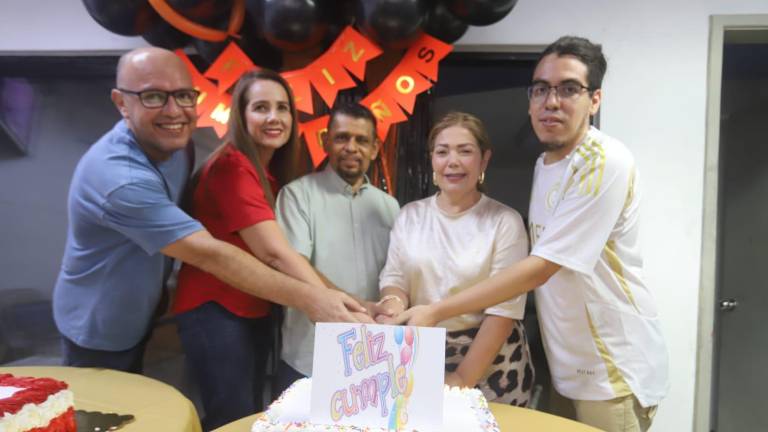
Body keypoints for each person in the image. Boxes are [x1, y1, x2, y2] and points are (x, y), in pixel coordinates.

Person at [395, 36, 669, 432]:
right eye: (541, 89)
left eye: (569, 89)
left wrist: (437, 310)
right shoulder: (546, 164)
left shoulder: (603, 161)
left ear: (595, 100)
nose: (551, 101)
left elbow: (540, 269)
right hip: (565, 363)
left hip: (612, 369)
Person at [53, 47, 366, 376]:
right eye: (154, 96)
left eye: (185, 96)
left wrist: (341, 298)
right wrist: (317, 300)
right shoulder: (121, 178)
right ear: (121, 103)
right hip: (98, 326)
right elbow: (222, 253)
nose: (174, 112)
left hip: (150, 311)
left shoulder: (178, 145)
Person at [171, 69, 348, 430]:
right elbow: (273, 254)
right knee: (232, 418)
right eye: (261, 107)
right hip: (216, 309)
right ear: (241, 114)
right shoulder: (232, 167)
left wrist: (348, 299)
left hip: (249, 308)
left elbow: (287, 253)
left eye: (282, 108)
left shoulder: (264, 173)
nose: (274, 117)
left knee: (252, 414)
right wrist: (330, 304)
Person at [376, 112, 534, 406]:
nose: (453, 161)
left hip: (491, 362)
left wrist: (463, 378)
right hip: (421, 352)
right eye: (442, 151)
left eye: (465, 151)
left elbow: (504, 308)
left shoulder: (505, 221)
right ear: (432, 160)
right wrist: (393, 308)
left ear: (483, 160)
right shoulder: (411, 214)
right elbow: (395, 278)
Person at [274, 103, 400, 394]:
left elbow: (397, 276)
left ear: (375, 148)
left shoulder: (389, 207)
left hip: (371, 355)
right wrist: (354, 304)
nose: (351, 147)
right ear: (325, 141)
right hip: (309, 357)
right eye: (342, 138)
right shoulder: (296, 196)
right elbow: (293, 266)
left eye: (361, 140)